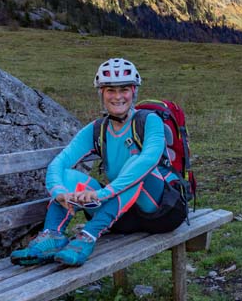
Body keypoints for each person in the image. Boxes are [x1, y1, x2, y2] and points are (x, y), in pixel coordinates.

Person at [11, 58, 188, 267]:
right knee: (68, 177)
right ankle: (52, 235)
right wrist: (58, 191)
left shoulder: (149, 121)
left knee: (136, 165)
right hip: (121, 215)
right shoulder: (97, 129)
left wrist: (102, 193)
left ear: (133, 91)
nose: (117, 96)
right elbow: (59, 163)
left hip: (160, 212)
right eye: (110, 90)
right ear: (101, 93)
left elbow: (148, 161)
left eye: (124, 89)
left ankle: (87, 237)